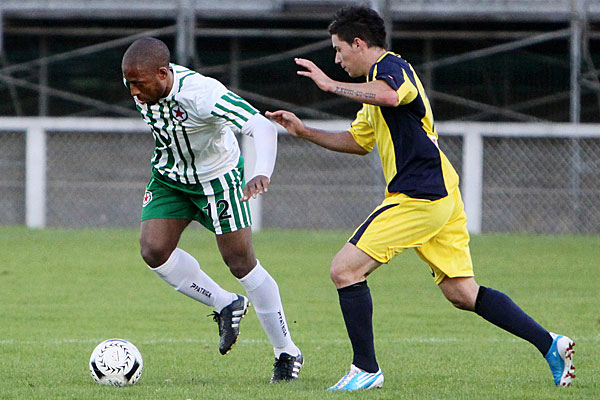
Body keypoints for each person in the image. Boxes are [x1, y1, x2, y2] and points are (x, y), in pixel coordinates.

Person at [266, 5, 575, 391]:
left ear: (359, 43)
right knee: (463, 293)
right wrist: (305, 131)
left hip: (419, 193)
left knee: (344, 270)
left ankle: (366, 369)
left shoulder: (391, 69)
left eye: (339, 49)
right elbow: (360, 141)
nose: (337, 58)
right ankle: (551, 346)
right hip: (438, 191)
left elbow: (392, 96)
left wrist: (330, 85)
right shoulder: (371, 92)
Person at [121, 37, 302, 383]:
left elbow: (260, 126)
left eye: (139, 84)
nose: (133, 92)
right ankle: (225, 304)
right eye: (128, 83)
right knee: (154, 250)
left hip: (217, 180)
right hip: (170, 178)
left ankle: (286, 351)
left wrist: (261, 170)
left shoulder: (203, 94)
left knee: (240, 262)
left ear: (163, 73)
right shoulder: (140, 79)